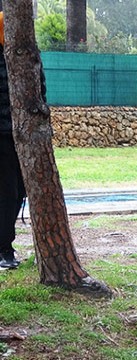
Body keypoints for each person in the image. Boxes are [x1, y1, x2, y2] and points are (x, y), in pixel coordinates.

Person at [0, 11, 24, 269]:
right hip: (3, 134)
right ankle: (4, 247)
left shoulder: (24, 54)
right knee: (8, 192)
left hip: (20, 134)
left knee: (19, 191)